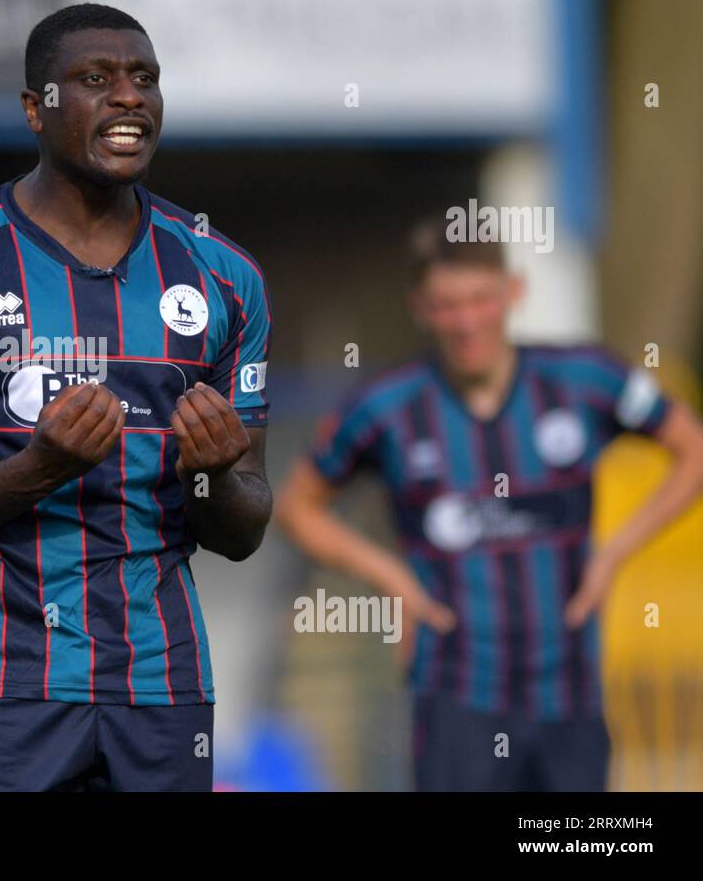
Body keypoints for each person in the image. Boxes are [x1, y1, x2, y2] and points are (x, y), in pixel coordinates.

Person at [0, 3, 274, 791]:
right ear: (34, 109)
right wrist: (39, 466)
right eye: (96, 79)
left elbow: (245, 526)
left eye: (145, 80)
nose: (129, 97)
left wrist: (215, 474)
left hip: (162, 691)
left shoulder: (226, 279)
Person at [275, 221, 703, 791]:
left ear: (512, 292)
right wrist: (395, 580)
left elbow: (691, 448)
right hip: (456, 695)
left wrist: (616, 551)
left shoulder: (584, 378)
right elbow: (298, 506)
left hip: (569, 691)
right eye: (448, 304)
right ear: (420, 308)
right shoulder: (386, 407)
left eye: (480, 299)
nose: (468, 321)